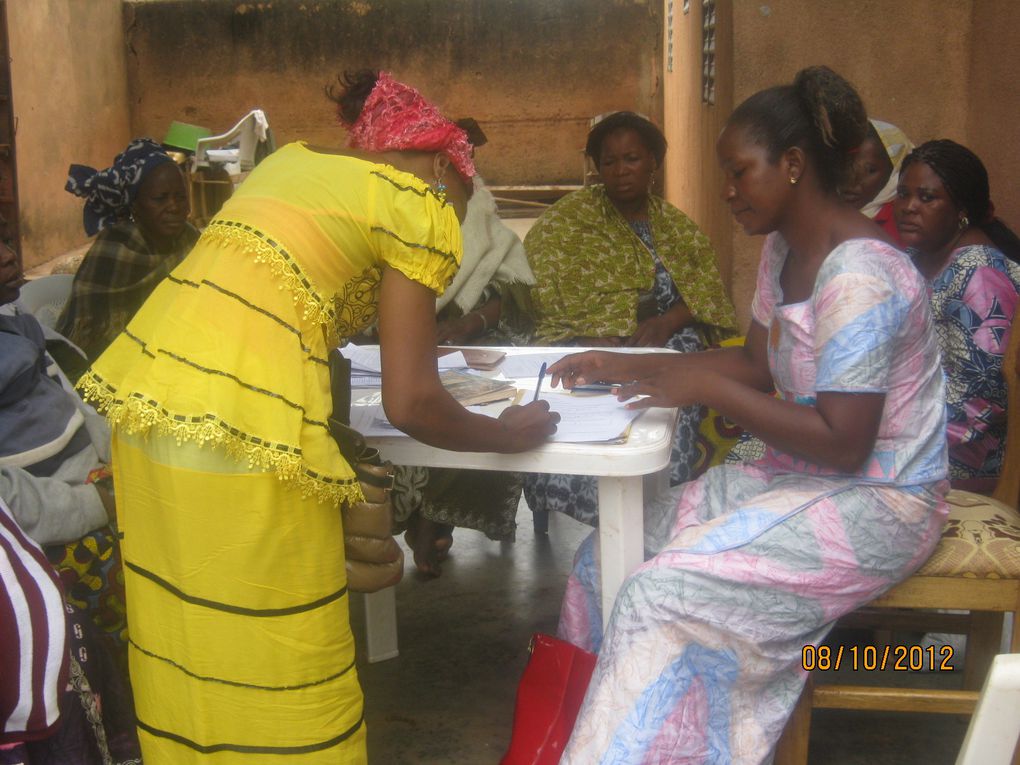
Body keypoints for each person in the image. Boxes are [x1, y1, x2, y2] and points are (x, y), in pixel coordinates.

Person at [75, 70, 558, 764]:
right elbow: (413, 401)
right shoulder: (415, 203)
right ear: (433, 163)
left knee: (193, 647)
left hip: (149, 415)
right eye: (456, 196)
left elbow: (279, 317)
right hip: (240, 444)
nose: (449, 222)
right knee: (285, 658)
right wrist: (504, 433)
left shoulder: (289, 165)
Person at [546, 66, 949, 762]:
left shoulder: (858, 274)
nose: (727, 191)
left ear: (792, 165)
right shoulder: (784, 249)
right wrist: (625, 364)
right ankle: (579, 736)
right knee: (603, 558)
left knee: (659, 591)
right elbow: (758, 366)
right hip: (797, 475)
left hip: (879, 499)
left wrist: (703, 388)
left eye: (739, 172)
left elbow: (844, 442)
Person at [523, 111, 737, 526]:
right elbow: (538, 290)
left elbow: (704, 292)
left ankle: (660, 508)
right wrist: (597, 335)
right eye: (609, 162)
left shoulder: (676, 228)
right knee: (567, 385)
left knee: (677, 388)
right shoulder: (566, 222)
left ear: (654, 164)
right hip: (585, 340)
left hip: (664, 340)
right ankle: (604, 516)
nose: (620, 171)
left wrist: (668, 322)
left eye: (632, 159)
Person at [389, 118, 536, 573]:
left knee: (489, 394)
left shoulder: (479, 207)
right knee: (407, 399)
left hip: (465, 336)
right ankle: (415, 514)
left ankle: (437, 519)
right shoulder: (392, 208)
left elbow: (513, 289)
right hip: (395, 337)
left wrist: (469, 323)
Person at [896, 139, 1020, 493]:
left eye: (926, 197)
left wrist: (890, 437)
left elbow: (981, 397)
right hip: (902, 430)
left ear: (962, 210)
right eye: (903, 194)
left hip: (963, 458)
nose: (908, 207)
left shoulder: (981, 273)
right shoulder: (911, 259)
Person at [57, 139, 200, 372]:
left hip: (164, 354)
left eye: (180, 197)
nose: (174, 206)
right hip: (100, 364)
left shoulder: (189, 239)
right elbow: (96, 335)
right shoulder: (117, 246)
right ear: (135, 206)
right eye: (160, 199)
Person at [840, 118, 913, 245]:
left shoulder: (904, 222)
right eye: (846, 166)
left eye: (870, 170)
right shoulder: (822, 213)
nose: (851, 180)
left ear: (894, 173)